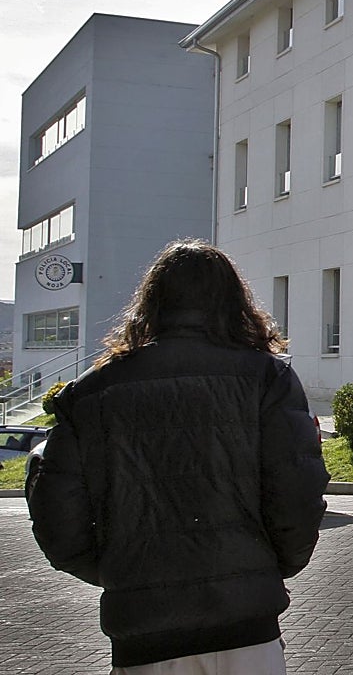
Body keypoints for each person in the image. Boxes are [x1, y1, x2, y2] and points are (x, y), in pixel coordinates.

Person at [29, 239, 329, 673]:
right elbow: (297, 491)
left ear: (151, 302)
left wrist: (117, 572)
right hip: (245, 624)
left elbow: (57, 513)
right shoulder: (266, 377)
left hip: (144, 634)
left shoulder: (93, 391)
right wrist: (273, 565)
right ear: (233, 300)